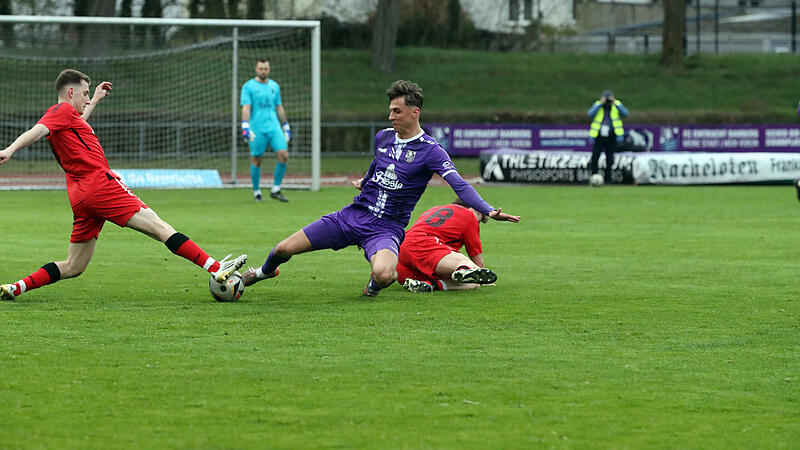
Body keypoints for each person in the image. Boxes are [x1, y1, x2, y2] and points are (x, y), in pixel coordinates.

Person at [240, 80, 520, 297]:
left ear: (415, 112)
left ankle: (372, 288)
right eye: (389, 110)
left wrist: (487, 210)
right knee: (283, 248)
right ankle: (263, 273)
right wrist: (366, 180)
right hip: (353, 215)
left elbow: (458, 183)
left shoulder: (431, 151)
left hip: (386, 228)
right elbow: (378, 163)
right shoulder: (383, 138)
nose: (391, 116)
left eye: (397, 111)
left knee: (387, 275)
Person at [0, 69, 247, 301]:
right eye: (84, 93)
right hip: (100, 185)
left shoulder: (68, 120)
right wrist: (9, 150)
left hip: (80, 196)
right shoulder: (59, 111)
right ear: (70, 93)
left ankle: (15, 287)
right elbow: (38, 129)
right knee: (159, 227)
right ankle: (217, 269)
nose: (87, 98)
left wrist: (95, 99)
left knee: (74, 266)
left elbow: (75, 121)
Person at [397, 198, 498, 293]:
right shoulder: (469, 215)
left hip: (401, 255)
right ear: (475, 210)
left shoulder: (434, 209)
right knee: (468, 269)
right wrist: (485, 278)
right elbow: (476, 259)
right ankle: (463, 269)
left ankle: (426, 285)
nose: (477, 224)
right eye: (479, 221)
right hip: (424, 244)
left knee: (471, 283)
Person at [240, 58, 291, 202]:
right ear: (256, 69)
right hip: (257, 129)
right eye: (261, 68)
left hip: (274, 128)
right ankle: (257, 192)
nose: (263, 71)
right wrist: (245, 125)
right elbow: (246, 107)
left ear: (269, 69)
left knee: (284, 155)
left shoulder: (274, 86)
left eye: (266, 68)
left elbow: (279, 107)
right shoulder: (248, 86)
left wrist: (285, 125)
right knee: (256, 159)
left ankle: (276, 189)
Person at [587, 90, 628, 184]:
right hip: (599, 136)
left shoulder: (617, 104)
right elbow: (590, 114)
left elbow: (625, 113)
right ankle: (593, 177)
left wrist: (615, 104)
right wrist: (600, 104)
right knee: (595, 157)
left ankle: (608, 179)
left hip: (611, 136)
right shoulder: (597, 104)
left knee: (610, 158)